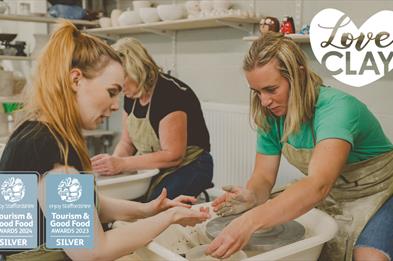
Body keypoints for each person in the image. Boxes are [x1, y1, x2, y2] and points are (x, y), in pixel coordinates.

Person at [0, 22, 210, 261]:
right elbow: (92, 251)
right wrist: (169, 218)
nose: (115, 106)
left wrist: (146, 210)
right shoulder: (50, 147)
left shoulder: (35, 129)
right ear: (76, 80)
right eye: (111, 92)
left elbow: (88, 204)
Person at [206, 32, 393, 261]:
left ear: (298, 76)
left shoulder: (337, 109)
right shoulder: (270, 115)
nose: (264, 101)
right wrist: (252, 196)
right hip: (334, 192)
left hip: (382, 192)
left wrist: (250, 220)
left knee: (368, 257)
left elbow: (318, 185)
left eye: (271, 89)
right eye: (257, 92)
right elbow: (263, 177)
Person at [91, 37, 213, 202]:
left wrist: (122, 164)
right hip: (152, 165)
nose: (120, 88)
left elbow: (173, 155)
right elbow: (127, 143)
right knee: (118, 200)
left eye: (122, 79)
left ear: (136, 69)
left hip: (190, 165)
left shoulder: (170, 94)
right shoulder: (131, 94)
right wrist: (114, 166)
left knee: (153, 205)